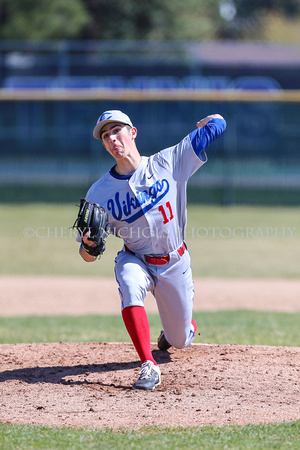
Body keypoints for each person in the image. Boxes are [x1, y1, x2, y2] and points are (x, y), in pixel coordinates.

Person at [78, 109, 226, 390]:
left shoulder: (168, 161)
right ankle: (149, 365)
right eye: (105, 136)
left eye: (117, 130)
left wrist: (213, 119)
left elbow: (217, 127)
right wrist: (90, 247)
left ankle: (175, 333)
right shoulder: (98, 193)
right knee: (129, 281)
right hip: (136, 258)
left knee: (181, 339)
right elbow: (86, 255)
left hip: (175, 262)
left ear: (133, 133)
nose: (112, 138)